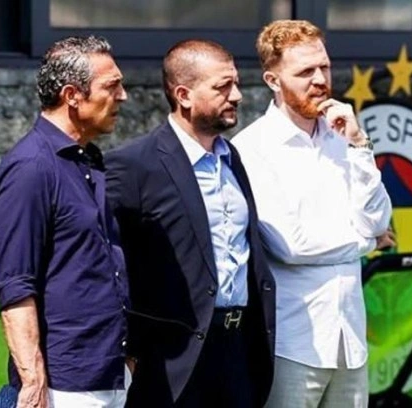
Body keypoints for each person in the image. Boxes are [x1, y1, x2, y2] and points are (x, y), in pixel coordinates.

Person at [232, 20, 394, 408]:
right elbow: (291, 246)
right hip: (293, 344)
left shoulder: (343, 136)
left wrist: (359, 143)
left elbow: (377, 220)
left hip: (350, 340)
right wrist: (368, 244)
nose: (320, 80)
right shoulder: (253, 148)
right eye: (305, 71)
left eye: (324, 67)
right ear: (273, 80)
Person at [105, 39, 276, 408]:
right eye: (222, 87)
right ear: (183, 95)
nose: (237, 96)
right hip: (172, 363)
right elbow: (108, 262)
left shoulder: (232, 159)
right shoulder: (134, 165)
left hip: (239, 351)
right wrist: (130, 349)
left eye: (236, 84)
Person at [0, 36, 131, 407]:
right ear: (72, 95)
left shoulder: (89, 160)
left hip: (110, 373)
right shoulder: (30, 168)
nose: (124, 96)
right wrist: (33, 382)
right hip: (64, 387)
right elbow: (15, 284)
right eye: (111, 86)